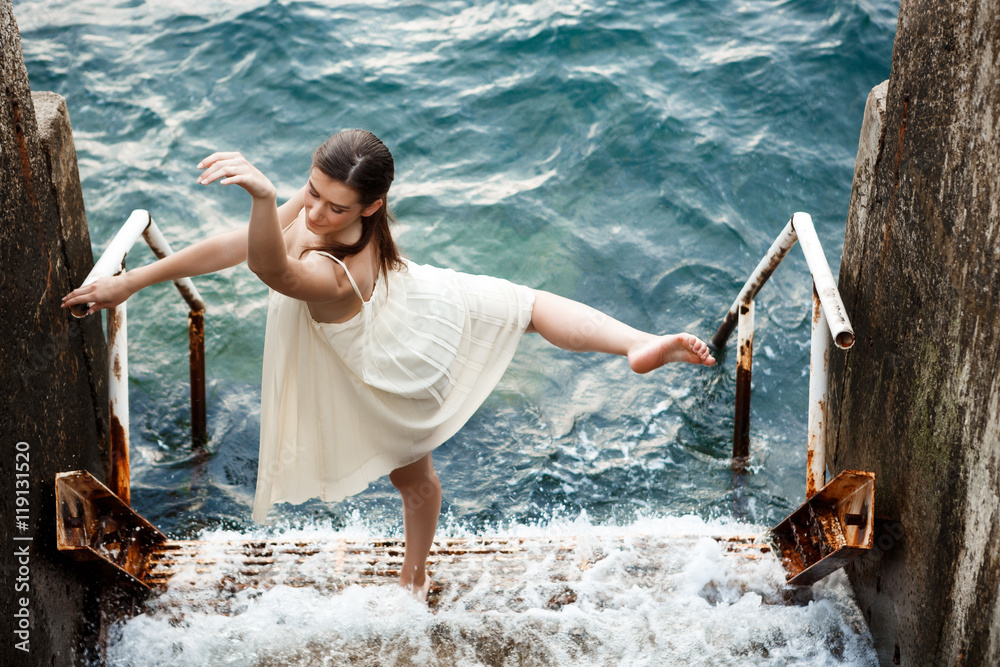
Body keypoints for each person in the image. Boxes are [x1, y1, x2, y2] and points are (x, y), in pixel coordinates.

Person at [62, 129, 715, 601]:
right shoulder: (334, 212)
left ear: (371, 207)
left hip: (385, 364)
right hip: (411, 300)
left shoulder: (333, 270)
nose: (314, 211)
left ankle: (415, 576)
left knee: (422, 467)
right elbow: (234, 247)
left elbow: (271, 266)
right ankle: (634, 340)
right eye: (310, 193)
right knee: (526, 304)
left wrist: (264, 198)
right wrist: (133, 281)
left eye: (333, 206)